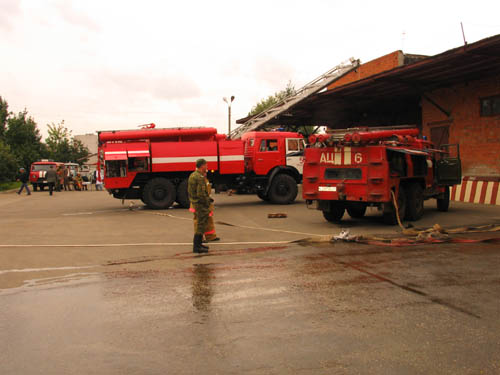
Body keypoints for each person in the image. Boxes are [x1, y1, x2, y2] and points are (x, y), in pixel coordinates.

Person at [188, 159, 211, 253]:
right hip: (200, 204)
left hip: (195, 202)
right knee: (201, 224)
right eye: (206, 165)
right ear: (202, 166)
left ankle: (199, 244)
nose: (207, 167)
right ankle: (197, 247)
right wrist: (207, 202)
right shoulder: (199, 177)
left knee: (200, 224)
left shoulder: (192, 175)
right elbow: (201, 194)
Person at [190, 178, 219, 242]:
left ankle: (211, 236)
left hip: (206, 203)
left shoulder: (205, 179)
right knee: (199, 221)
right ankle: (200, 238)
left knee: (209, 220)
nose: (206, 172)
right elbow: (199, 193)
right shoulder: (197, 179)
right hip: (199, 204)